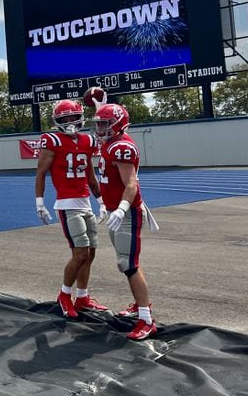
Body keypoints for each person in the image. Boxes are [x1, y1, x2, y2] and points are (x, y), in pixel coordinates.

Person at [35, 99, 107, 319]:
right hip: (67, 205)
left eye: (73, 117)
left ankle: (83, 297)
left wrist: (101, 201)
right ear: (57, 121)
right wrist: (39, 202)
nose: (69, 122)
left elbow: (90, 174)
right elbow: (40, 173)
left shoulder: (87, 140)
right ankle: (65, 295)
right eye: (64, 118)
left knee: (91, 253)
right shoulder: (52, 140)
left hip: (85, 202)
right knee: (80, 253)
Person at [92, 103, 157, 340]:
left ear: (117, 123)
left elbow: (131, 184)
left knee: (129, 264)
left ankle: (146, 320)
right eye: (98, 123)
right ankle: (140, 305)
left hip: (126, 213)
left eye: (104, 123)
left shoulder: (121, 146)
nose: (100, 128)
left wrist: (120, 209)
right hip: (115, 211)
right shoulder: (111, 143)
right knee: (127, 263)